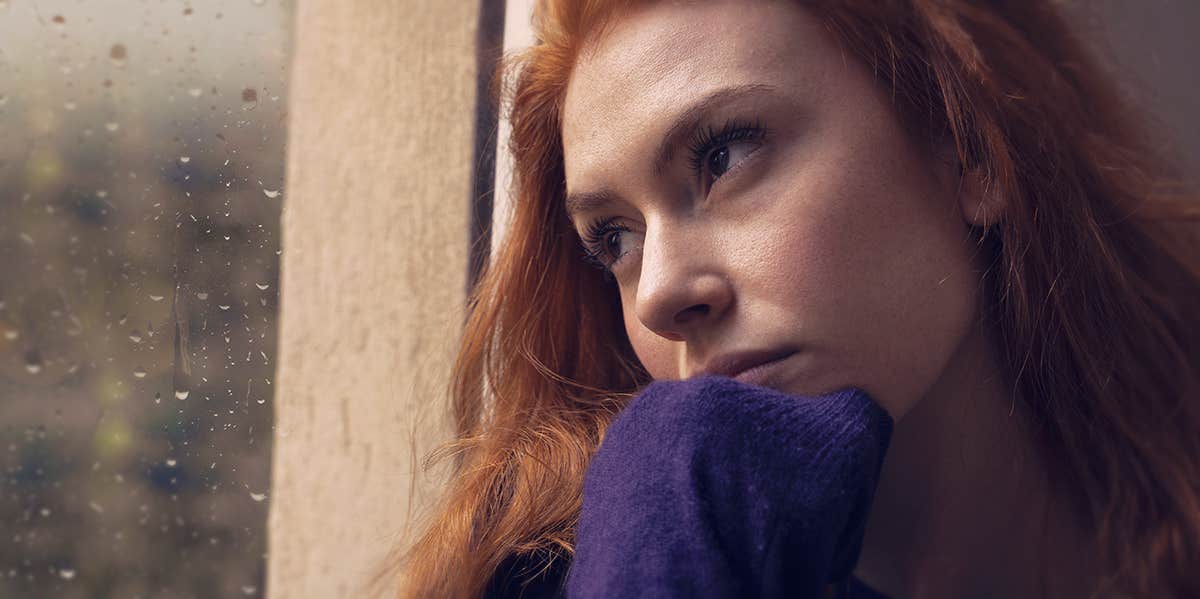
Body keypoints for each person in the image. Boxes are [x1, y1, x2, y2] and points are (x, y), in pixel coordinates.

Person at [387, 1, 1200, 597]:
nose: (661, 293)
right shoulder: (581, 566)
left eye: (725, 154)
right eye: (615, 240)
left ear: (970, 146)